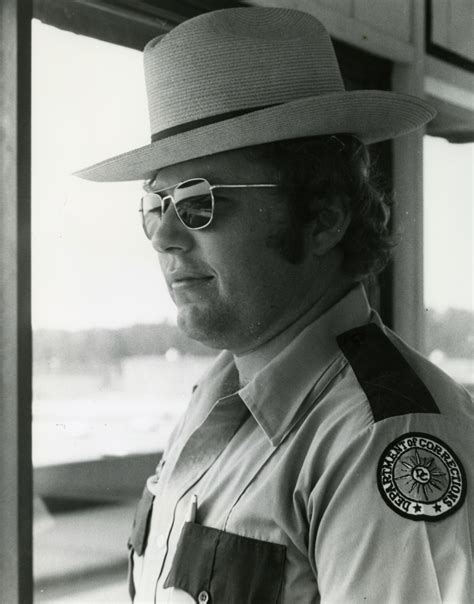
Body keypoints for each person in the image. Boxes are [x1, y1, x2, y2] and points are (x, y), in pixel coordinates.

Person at [77, 7, 473, 603]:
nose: (165, 236)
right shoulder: (213, 401)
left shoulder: (382, 440)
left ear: (323, 217)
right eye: (156, 205)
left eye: (199, 201)